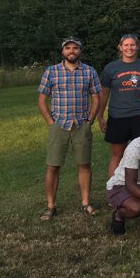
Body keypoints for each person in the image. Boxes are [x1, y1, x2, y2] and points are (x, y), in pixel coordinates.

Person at [37, 37, 102, 220]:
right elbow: (42, 100)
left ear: (79, 51)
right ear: (63, 51)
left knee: (84, 164)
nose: (71, 51)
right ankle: (50, 206)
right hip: (59, 124)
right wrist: (50, 121)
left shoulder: (89, 71)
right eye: (68, 48)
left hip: (81, 124)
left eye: (75, 48)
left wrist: (90, 120)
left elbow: (96, 98)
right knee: (52, 166)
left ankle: (85, 202)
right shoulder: (52, 72)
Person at [97, 34, 140, 177]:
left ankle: (139, 191)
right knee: (117, 156)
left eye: (132, 45)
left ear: (137, 47)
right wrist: (100, 116)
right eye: (126, 45)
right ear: (120, 47)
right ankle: (113, 191)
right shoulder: (111, 68)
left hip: (139, 116)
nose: (129, 48)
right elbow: (104, 94)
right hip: (118, 116)